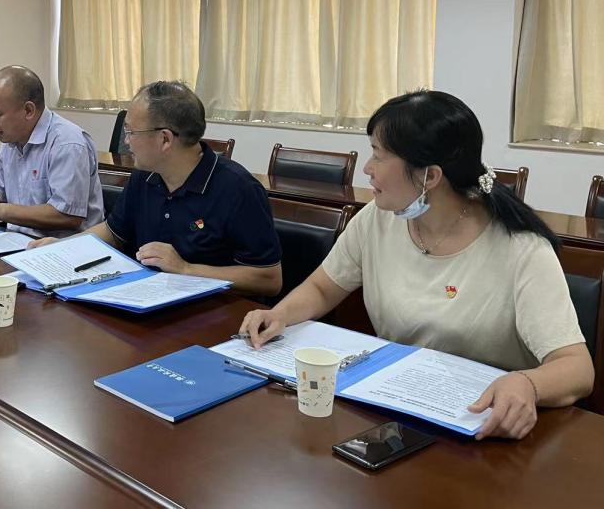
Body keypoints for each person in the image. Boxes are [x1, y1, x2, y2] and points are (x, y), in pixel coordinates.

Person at [240, 90, 594, 440]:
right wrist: (280, 315)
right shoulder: (377, 219)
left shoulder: (521, 248)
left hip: (486, 429)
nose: (367, 168)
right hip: (398, 413)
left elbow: (577, 368)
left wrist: (527, 383)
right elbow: (322, 288)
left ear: (430, 176)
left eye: (378, 155)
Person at [29, 81, 282, 296]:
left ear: (165, 139)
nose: (126, 141)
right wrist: (63, 247)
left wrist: (186, 269)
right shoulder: (145, 175)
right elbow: (113, 231)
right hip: (146, 298)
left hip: (210, 311)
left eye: (131, 131)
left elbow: (269, 279)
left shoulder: (238, 189)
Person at [0, 66, 104, 238]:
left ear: (28, 110)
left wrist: (0, 211)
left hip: (63, 246)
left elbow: (68, 216)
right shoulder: (11, 139)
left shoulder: (67, 144)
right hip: (18, 239)